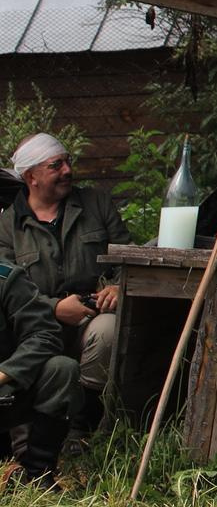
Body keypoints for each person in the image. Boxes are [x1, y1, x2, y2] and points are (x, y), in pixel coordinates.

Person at [0, 133, 133, 428]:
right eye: (56, 165)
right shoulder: (8, 226)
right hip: (34, 326)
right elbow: (8, 290)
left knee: (108, 332)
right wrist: (54, 308)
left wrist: (117, 286)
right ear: (31, 176)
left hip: (93, 317)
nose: (67, 170)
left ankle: (84, 426)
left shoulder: (96, 204)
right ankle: (41, 425)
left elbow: (128, 259)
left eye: (68, 161)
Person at [0, 257, 77, 486]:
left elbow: (44, 335)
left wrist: (5, 373)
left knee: (61, 370)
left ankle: (37, 475)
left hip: (6, 394)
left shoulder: (7, 278)